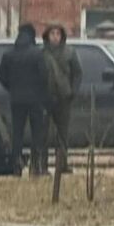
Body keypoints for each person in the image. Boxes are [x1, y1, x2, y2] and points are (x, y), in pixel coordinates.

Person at [0, 23, 48, 177]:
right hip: (35, 99)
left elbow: (1, 77)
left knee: (17, 133)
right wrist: (40, 92)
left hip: (16, 99)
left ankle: (16, 165)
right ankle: (35, 165)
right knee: (37, 132)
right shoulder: (37, 54)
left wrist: (12, 88)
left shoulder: (8, 54)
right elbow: (44, 76)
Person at [40, 23, 82, 174]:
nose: (55, 37)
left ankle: (62, 164)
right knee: (43, 134)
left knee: (63, 134)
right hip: (45, 98)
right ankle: (43, 166)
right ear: (47, 36)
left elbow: (77, 73)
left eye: (58, 34)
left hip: (64, 98)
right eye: (52, 34)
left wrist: (73, 91)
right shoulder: (41, 53)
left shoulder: (70, 52)